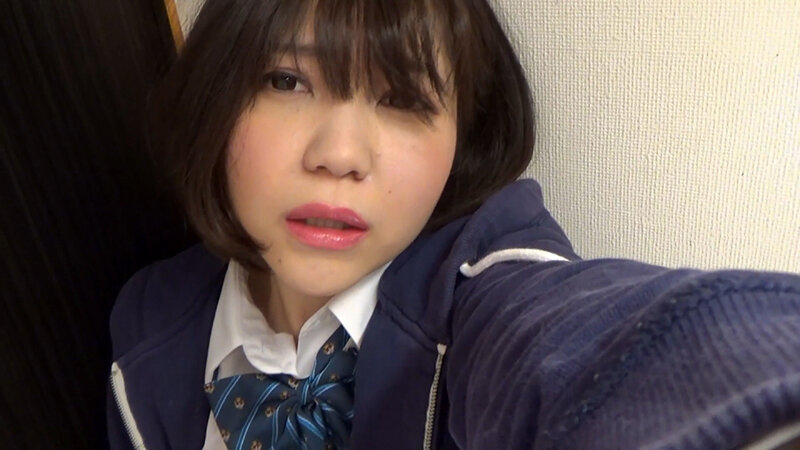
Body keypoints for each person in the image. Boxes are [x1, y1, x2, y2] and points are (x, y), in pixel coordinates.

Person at [106, 0, 800, 448]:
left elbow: (592, 346)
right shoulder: (147, 327)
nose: (340, 155)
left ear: (463, 137)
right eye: (287, 81)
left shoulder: (482, 286)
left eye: (404, 98)